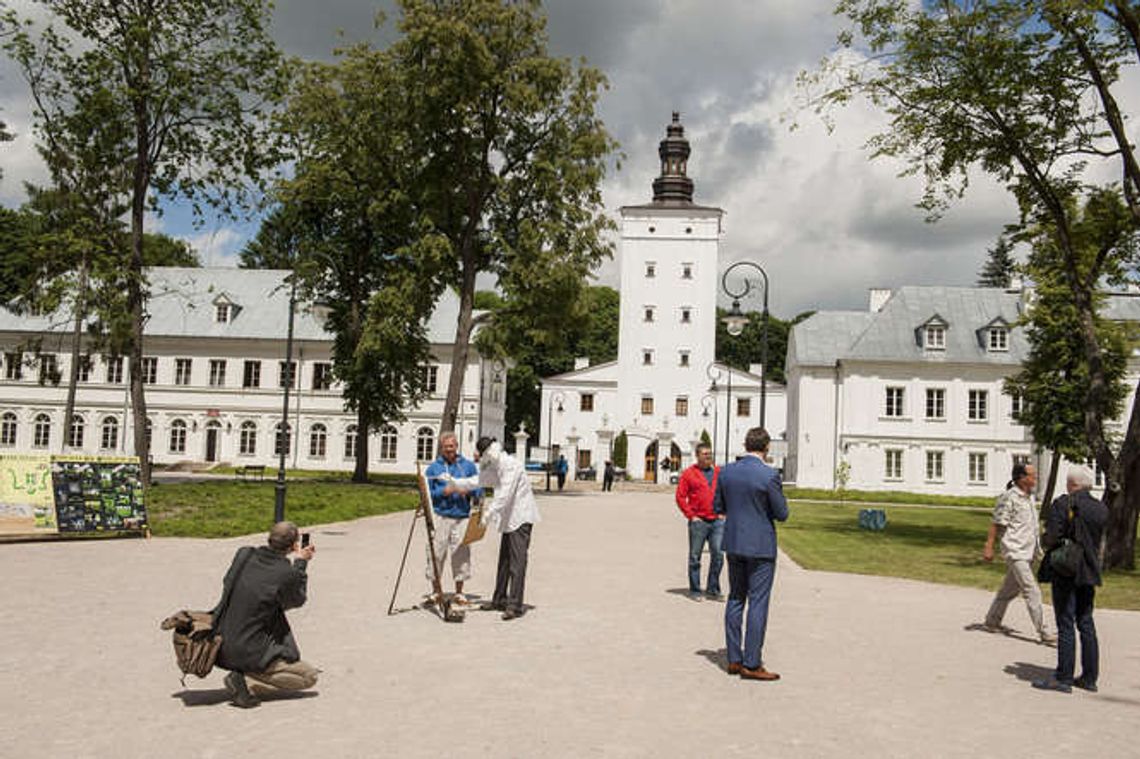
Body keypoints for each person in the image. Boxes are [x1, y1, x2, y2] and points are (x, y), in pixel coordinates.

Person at [215, 521, 318, 709]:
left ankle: (243, 676)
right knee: (308, 677)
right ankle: (245, 681)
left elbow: (229, 582)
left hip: (220, 639)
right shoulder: (286, 572)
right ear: (294, 545)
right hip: (247, 649)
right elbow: (296, 600)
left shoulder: (243, 554)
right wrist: (301, 563)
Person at [713, 427, 788, 681]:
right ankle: (752, 662)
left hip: (734, 542)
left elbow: (718, 506)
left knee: (735, 598)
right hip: (760, 546)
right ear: (766, 447)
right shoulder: (768, 475)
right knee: (758, 602)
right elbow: (782, 513)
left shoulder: (726, 472)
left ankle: (734, 658)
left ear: (745, 445)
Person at [1033, 466, 1108, 693]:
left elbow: (1052, 536)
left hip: (1067, 569)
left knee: (1065, 622)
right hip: (1089, 569)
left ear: (1073, 484)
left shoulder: (1063, 504)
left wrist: (1046, 541)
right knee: (1086, 621)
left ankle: (1064, 677)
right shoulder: (1100, 508)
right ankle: (1089, 677)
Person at [450, 436, 540, 620]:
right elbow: (480, 480)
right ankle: (499, 599)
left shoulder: (512, 466)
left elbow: (504, 496)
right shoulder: (497, 466)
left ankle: (514, 605)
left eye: (482, 456)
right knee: (505, 561)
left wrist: (487, 515)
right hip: (509, 519)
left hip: (521, 518)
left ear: (489, 453)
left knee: (517, 563)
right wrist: (454, 482)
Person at [981, 463, 1056, 645]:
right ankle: (1044, 631)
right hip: (1016, 551)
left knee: (1009, 590)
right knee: (1032, 590)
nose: (1035, 479)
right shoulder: (1009, 498)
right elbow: (996, 524)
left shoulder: (1029, 497)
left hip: (1028, 551)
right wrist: (989, 547)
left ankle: (992, 620)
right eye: (1032, 476)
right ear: (1022, 478)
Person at [427, 431, 482, 606]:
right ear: (441, 448)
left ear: (456, 446)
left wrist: (470, 491)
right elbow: (428, 494)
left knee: (461, 553)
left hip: (462, 515)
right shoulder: (434, 468)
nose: (449, 450)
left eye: (452, 446)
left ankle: (459, 592)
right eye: (446, 447)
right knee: (436, 553)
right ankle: (436, 591)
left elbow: (479, 489)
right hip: (441, 515)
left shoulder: (468, 467)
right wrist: (444, 491)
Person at [675, 443, 723, 600]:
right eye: (705, 454)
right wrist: (691, 515)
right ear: (697, 456)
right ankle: (695, 590)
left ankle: (712, 588)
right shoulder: (689, 474)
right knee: (695, 557)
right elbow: (680, 496)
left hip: (717, 521)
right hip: (699, 521)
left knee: (718, 554)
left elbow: (726, 493)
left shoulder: (718, 472)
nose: (708, 456)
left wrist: (724, 512)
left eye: (710, 453)